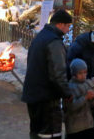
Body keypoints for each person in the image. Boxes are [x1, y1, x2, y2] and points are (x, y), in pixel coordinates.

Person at [22, 9, 73, 139]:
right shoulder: (54, 42)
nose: (68, 30)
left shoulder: (40, 37)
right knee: (50, 135)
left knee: (36, 133)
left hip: (33, 96)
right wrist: (67, 93)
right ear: (60, 24)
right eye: (68, 26)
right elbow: (58, 73)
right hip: (47, 99)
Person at [67, 24, 94, 137]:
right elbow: (69, 67)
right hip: (78, 89)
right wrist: (88, 79)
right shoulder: (79, 45)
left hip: (92, 89)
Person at [65, 59, 94, 139]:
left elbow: (93, 104)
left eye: (85, 72)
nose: (83, 75)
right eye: (80, 73)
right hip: (75, 128)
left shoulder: (88, 83)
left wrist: (93, 97)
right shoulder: (69, 87)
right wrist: (85, 97)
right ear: (74, 74)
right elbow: (71, 107)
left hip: (89, 126)